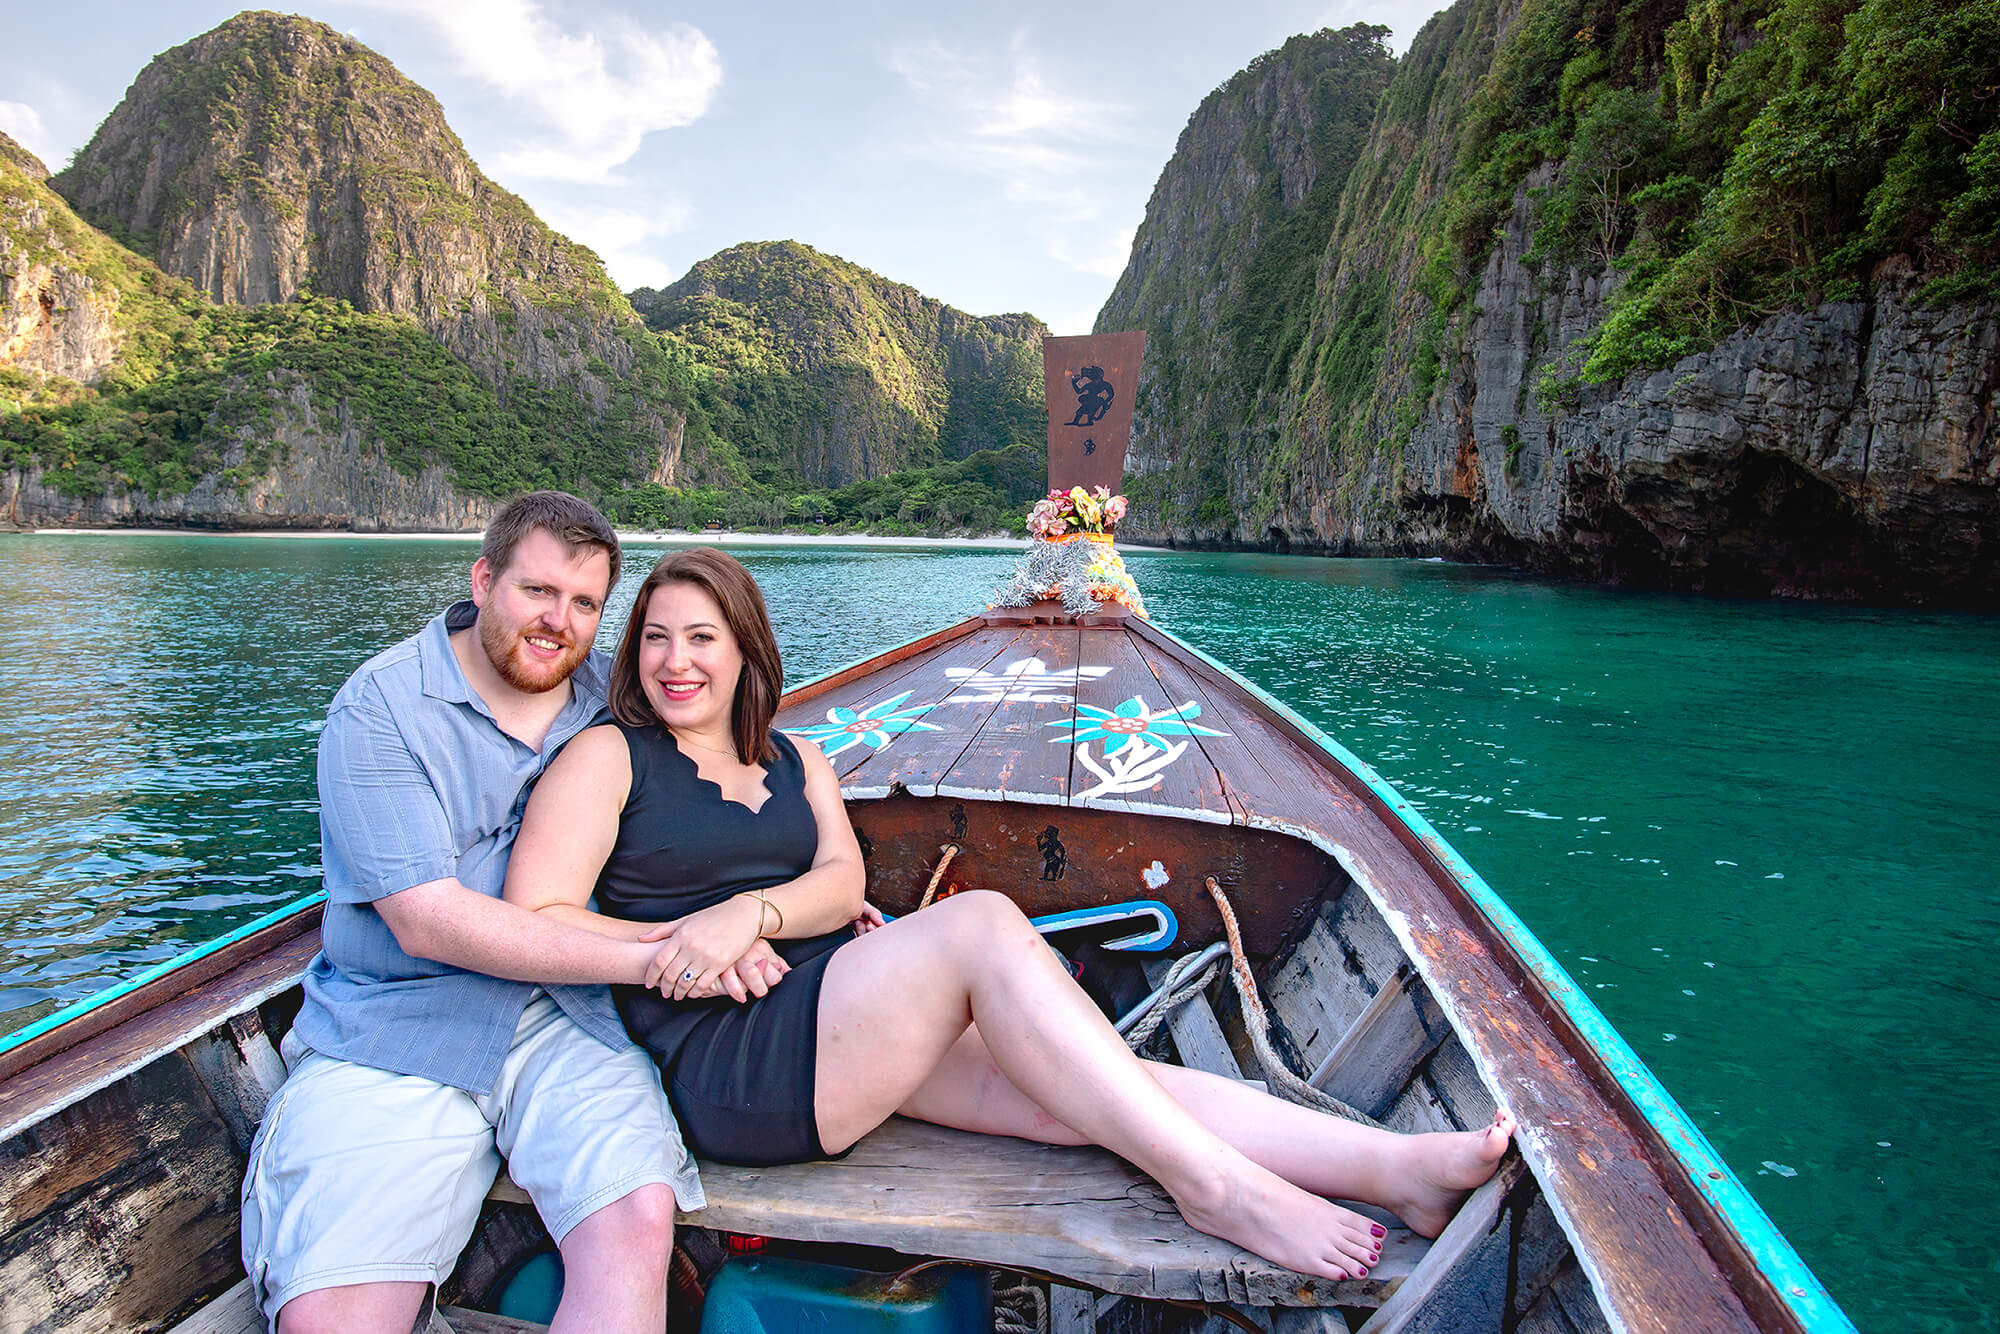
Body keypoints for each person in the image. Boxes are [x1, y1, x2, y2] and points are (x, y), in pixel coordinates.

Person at [503, 548, 1518, 1283]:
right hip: (731, 1056)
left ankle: (1394, 1169)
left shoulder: (793, 756)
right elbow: (534, 915)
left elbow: (835, 874)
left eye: (702, 638)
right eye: (656, 639)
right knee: (984, 921)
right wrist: (687, 943)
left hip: (829, 1009)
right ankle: (1214, 1186)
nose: (677, 661)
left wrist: (751, 912)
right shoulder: (607, 758)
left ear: (744, 650)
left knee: (1084, 1089)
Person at [241, 494, 768, 1334]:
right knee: (334, 1314)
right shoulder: (381, 710)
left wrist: (798, 910)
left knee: (634, 1223)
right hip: (396, 1027)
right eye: (538, 591)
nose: (559, 622)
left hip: (564, 1019)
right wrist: (669, 954)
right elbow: (428, 921)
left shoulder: (614, 698)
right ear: (484, 580)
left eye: (585, 604)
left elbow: (730, 783)